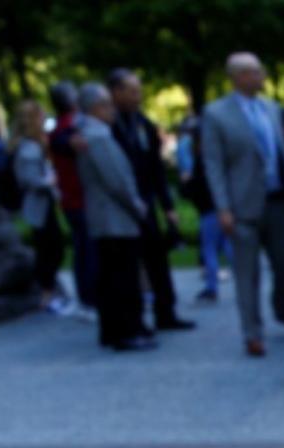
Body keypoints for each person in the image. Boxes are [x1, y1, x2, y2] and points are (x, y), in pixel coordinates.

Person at [202, 52, 284, 358]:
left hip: (277, 201)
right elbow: (214, 164)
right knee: (247, 273)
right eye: (255, 72)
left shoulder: (271, 108)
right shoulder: (216, 114)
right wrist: (223, 206)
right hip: (242, 206)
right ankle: (252, 332)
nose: (261, 76)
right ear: (238, 76)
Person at [108, 69, 195, 333]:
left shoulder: (142, 124)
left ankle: (165, 311)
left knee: (157, 259)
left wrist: (167, 207)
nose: (138, 96)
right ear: (116, 92)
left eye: (138, 90)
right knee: (127, 266)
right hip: (121, 205)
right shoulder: (107, 126)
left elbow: (156, 169)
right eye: (132, 91)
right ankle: (132, 320)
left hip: (146, 202)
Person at [74, 83, 155, 352]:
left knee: (112, 276)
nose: (112, 111)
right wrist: (136, 205)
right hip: (114, 219)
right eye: (107, 104)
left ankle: (114, 330)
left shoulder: (90, 135)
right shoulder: (98, 137)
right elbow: (116, 181)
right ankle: (127, 330)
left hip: (107, 217)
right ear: (96, 108)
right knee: (122, 278)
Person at [11, 100, 67, 314]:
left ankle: (48, 293)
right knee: (50, 250)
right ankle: (46, 295)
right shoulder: (29, 149)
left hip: (42, 205)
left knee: (51, 249)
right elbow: (30, 179)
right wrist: (50, 181)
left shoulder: (31, 146)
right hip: (39, 206)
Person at [47, 82, 96, 319]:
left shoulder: (60, 129)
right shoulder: (70, 129)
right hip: (79, 201)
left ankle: (89, 298)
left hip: (73, 201)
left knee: (83, 249)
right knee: (86, 250)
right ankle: (89, 300)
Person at [176, 115, 230, 302]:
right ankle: (245, 277)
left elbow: (199, 185)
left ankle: (211, 286)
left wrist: (187, 182)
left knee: (209, 248)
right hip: (220, 206)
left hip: (209, 208)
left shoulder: (203, 159)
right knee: (225, 244)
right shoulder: (216, 156)